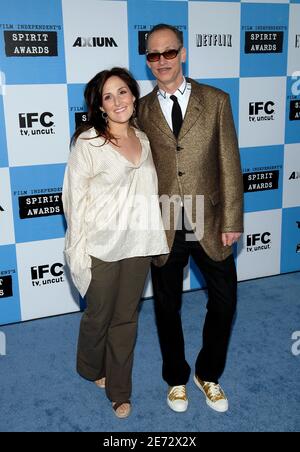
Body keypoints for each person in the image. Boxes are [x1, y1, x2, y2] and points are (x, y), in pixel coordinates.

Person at [138, 24, 244, 413]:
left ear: (182, 54)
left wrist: (232, 218)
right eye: (153, 55)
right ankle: (176, 378)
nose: (162, 61)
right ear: (147, 61)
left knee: (226, 300)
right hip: (163, 224)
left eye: (169, 53)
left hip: (211, 220)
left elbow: (229, 164)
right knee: (166, 307)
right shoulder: (140, 110)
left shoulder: (216, 100)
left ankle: (208, 373)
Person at [62, 67, 169, 418]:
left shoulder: (146, 139)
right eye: (108, 96)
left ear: (133, 96)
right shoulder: (88, 142)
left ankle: (119, 389)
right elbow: (74, 202)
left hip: (138, 245)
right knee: (98, 316)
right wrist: (76, 248)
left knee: (126, 319)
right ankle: (90, 366)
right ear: (101, 106)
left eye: (122, 92)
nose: (117, 100)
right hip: (102, 247)